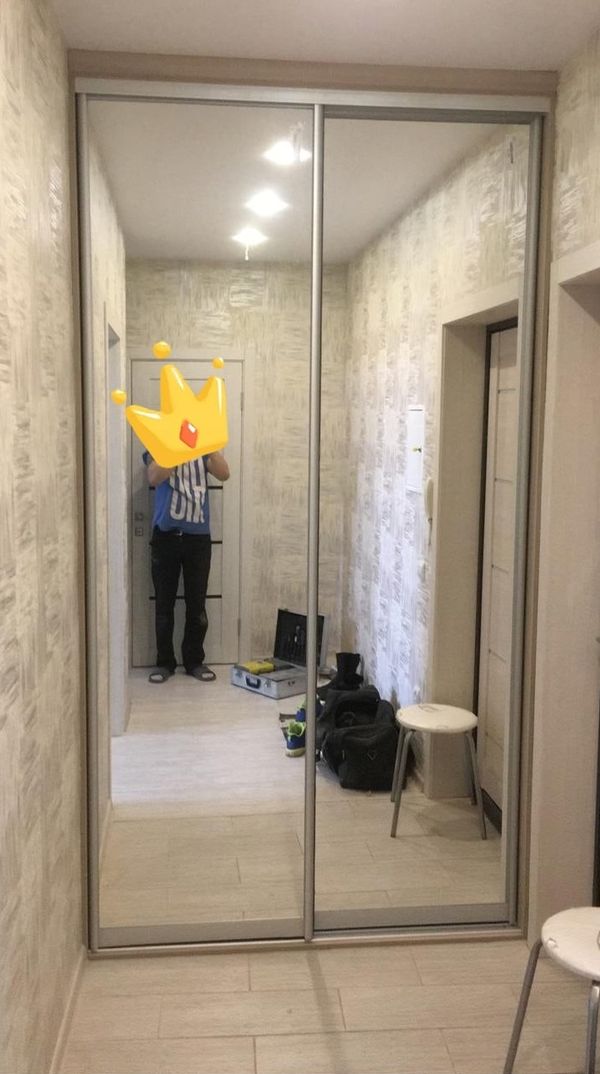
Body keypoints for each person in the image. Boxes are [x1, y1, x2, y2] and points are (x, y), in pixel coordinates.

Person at [143, 449, 230, 684]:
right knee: (164, 605)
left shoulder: (204, 447)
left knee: (197, 604)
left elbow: (224, 473)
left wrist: (208, 447)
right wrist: (177, 446)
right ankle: (165, 663)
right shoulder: (160, 443)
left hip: (198, 539)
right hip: (166, 537)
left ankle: (194, 661)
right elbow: (154, 476)